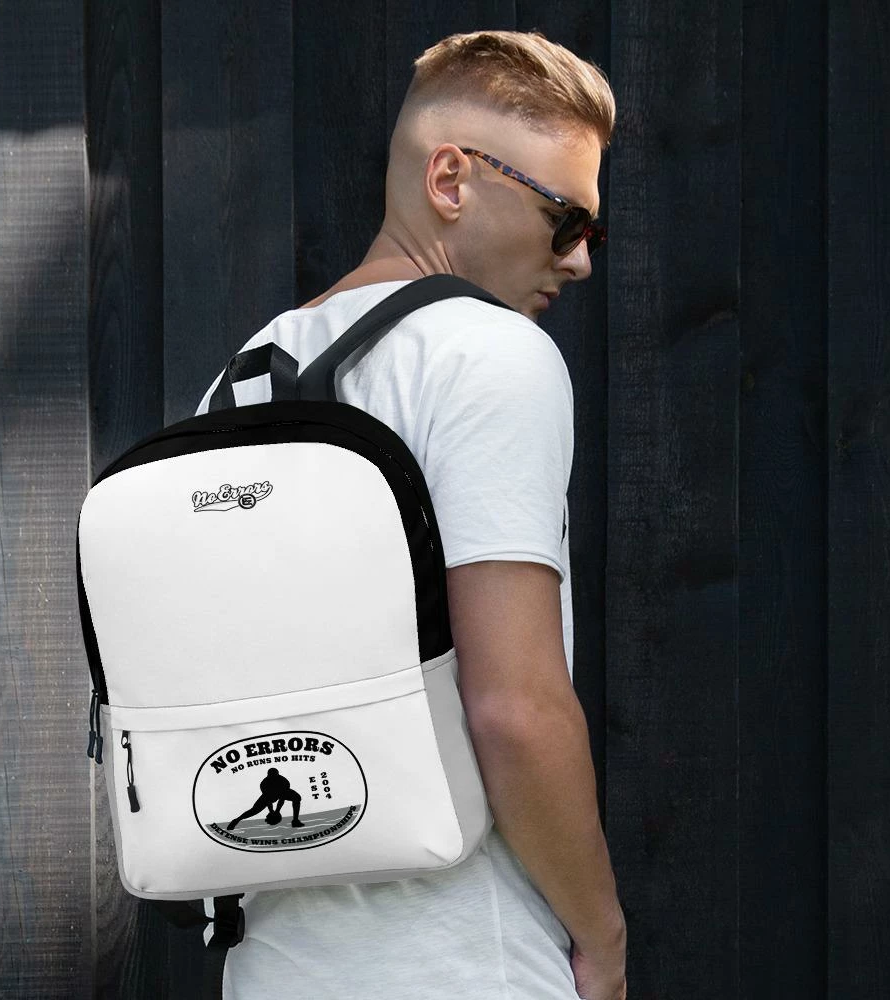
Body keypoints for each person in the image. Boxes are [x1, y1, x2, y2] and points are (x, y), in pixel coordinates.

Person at [195, 28, 626, 1000]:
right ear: (451, 179)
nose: (581, 262)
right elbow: (513, 707)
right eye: (566, 220)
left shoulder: (239, 379)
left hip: (272, 963)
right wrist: (603, 939)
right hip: (463, 960)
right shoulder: (488, 353)